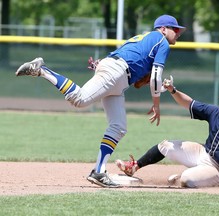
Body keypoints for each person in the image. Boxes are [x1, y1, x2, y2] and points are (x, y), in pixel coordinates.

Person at [15, 15, 186, 188]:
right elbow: (156, 76)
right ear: (163, 29)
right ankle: (42, 70)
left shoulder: (148, 38)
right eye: (176, 29)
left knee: (118, 127)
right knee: (79, 99)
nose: (178, 33)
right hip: (116, 72)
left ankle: (99, 171)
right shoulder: (162, 41)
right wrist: (156, 104)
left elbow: (139, 71)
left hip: (118, 76)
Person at [116, 78, 219, 188]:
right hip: (203, 152)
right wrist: (173, 90)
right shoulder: (215, 113)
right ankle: (135, 166)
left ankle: (183, 178)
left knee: (187, 180)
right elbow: (189, 103)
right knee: (166, 145)